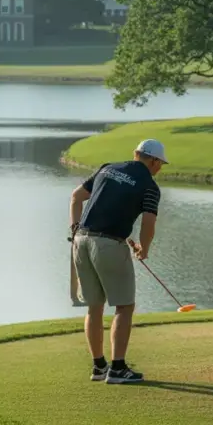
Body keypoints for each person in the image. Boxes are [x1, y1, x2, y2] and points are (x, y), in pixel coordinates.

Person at [69, 139, 166, 384]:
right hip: (109, 244)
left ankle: (99, 367)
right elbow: (148, 222)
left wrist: (75, 229)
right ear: (153, 160)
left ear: (136, 154)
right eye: (160, 164)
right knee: (124, 307)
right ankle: (118, 369)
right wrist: (144, 249)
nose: (160, 168)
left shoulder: (107, 168)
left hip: (81, 241)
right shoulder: (150, 186)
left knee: (95, 306)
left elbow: (76, 197)